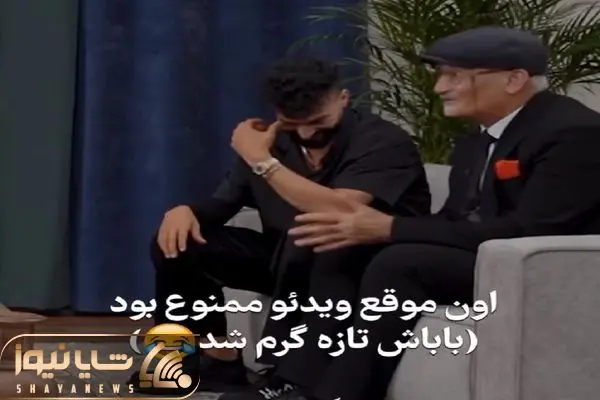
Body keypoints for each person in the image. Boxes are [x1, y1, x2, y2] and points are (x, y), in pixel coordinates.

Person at [281, 27, 600, 400]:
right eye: (440, 76)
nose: (439, 88)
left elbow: (530, 229)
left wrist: (391, 228)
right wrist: (367, 230)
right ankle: (296, 384)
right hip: (489, 260)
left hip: (547, 273)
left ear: (514, 80)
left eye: (454, 76)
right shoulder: (477, 139)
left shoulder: (573, 132)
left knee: (402, 262)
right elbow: (456, 219)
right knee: (344, 247)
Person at [129, 57, 431, 395]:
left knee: (318, 238)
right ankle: (208, 359)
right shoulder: (271, 142)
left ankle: (287, 382)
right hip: (283, 260)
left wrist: (262, 161)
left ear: (342, 99)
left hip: (358, 266)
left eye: (318, 122)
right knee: (178, 241)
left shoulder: (382, 141)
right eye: (293, 124)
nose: (306, 134)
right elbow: (224, 202)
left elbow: (339, 210)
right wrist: (186, 211)